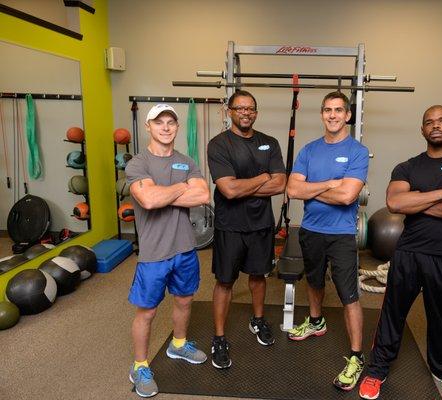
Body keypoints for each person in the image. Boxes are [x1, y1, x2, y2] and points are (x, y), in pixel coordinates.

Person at [358, 105, 442, 400]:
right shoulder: (408, 167)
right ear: (422, 129)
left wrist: (417, 201)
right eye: (429, 122)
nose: (436, 126)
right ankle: (377, 370)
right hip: (408, 253)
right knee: (392, 314)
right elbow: (395, 203)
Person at [126, 104, 211, 398]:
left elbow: (203, 195)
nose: (165, 127)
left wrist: (166, 191)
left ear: (177, 127)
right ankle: (139, 365)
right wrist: (179, 187)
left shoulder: (186, 161)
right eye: (159, 122)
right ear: (148, 126)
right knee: (147, 312)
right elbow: (148, 200)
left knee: (185, 301)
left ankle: (178, 344)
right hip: (153, 253)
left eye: (171, 122)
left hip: (185, 248)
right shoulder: (138, 164)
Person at [286, 91, 369, 391]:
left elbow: (348, 196)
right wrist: (329, 184)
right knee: (314, 280)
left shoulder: (358, 151)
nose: (332, 115)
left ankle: (357, 356)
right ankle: (316, 321)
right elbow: (292, 190)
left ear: (347, 115)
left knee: (349, 295)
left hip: (342, 235)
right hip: (310, 230)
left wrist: (310, 187)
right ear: (322, 114)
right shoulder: (309, 150)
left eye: (338, 110)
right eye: (327, 110)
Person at [207, 90, 286, 369]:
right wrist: (263, 177)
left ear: (256, 112)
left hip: (261, 224)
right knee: (225, 281)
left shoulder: (270, 143)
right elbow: (228, 190)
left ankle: (258, 320)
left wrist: (247, 184)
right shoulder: (219, 144)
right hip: (230, 226)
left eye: (250, 108)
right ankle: (218, 337)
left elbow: (280, 184)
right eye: (239, 108)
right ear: (230, 111)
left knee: (258, 276)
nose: (245, 112)